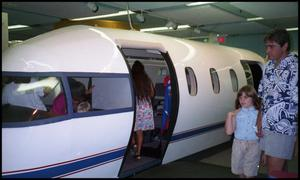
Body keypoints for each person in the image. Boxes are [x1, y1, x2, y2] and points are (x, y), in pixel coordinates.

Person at [256, 28, 298, 177]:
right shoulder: (268, 67)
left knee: (274, 169)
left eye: (272, 46)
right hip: (267, 125)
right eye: (267, 46)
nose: (268, 50)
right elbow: (263, 96)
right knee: (272, 165)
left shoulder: (295, 67)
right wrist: (259, 120)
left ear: (284, 46)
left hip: (283, 126)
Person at [225, 85, 261, 178]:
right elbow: (229, 132)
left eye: (246, 97)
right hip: (238, 144)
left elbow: (262, 131)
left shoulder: (259, 113)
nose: (242, 100)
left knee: (250, 172)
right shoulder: (236, 113)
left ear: (253, 98)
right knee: (239, 170)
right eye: (240, 97)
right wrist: (230, 115)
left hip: (254, 144)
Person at [131, 61, 155, 160]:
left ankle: (133, 144)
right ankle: (138, 153)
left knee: (131, 128)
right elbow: (152, 94)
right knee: (140, 131)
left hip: (135, 106)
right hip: (145, 107)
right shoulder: (147, 79)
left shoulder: (130, 79)